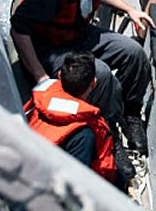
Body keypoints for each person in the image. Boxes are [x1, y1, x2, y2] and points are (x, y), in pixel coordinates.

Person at [11, 0, 153, 148]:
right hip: (53, 47)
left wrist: (128, 10)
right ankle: (109, 135)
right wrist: (40, 76)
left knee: (133, 52)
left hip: (81, 34)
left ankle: (131, 114)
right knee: (102, 74)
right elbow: (19, 30)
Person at [23, 53, 126, 189]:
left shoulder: (39, 101)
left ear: (60, 75)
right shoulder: (84, 134)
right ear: (93, 83)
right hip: (50, 189)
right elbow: (77, 185)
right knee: (121, 179)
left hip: (28, 166)